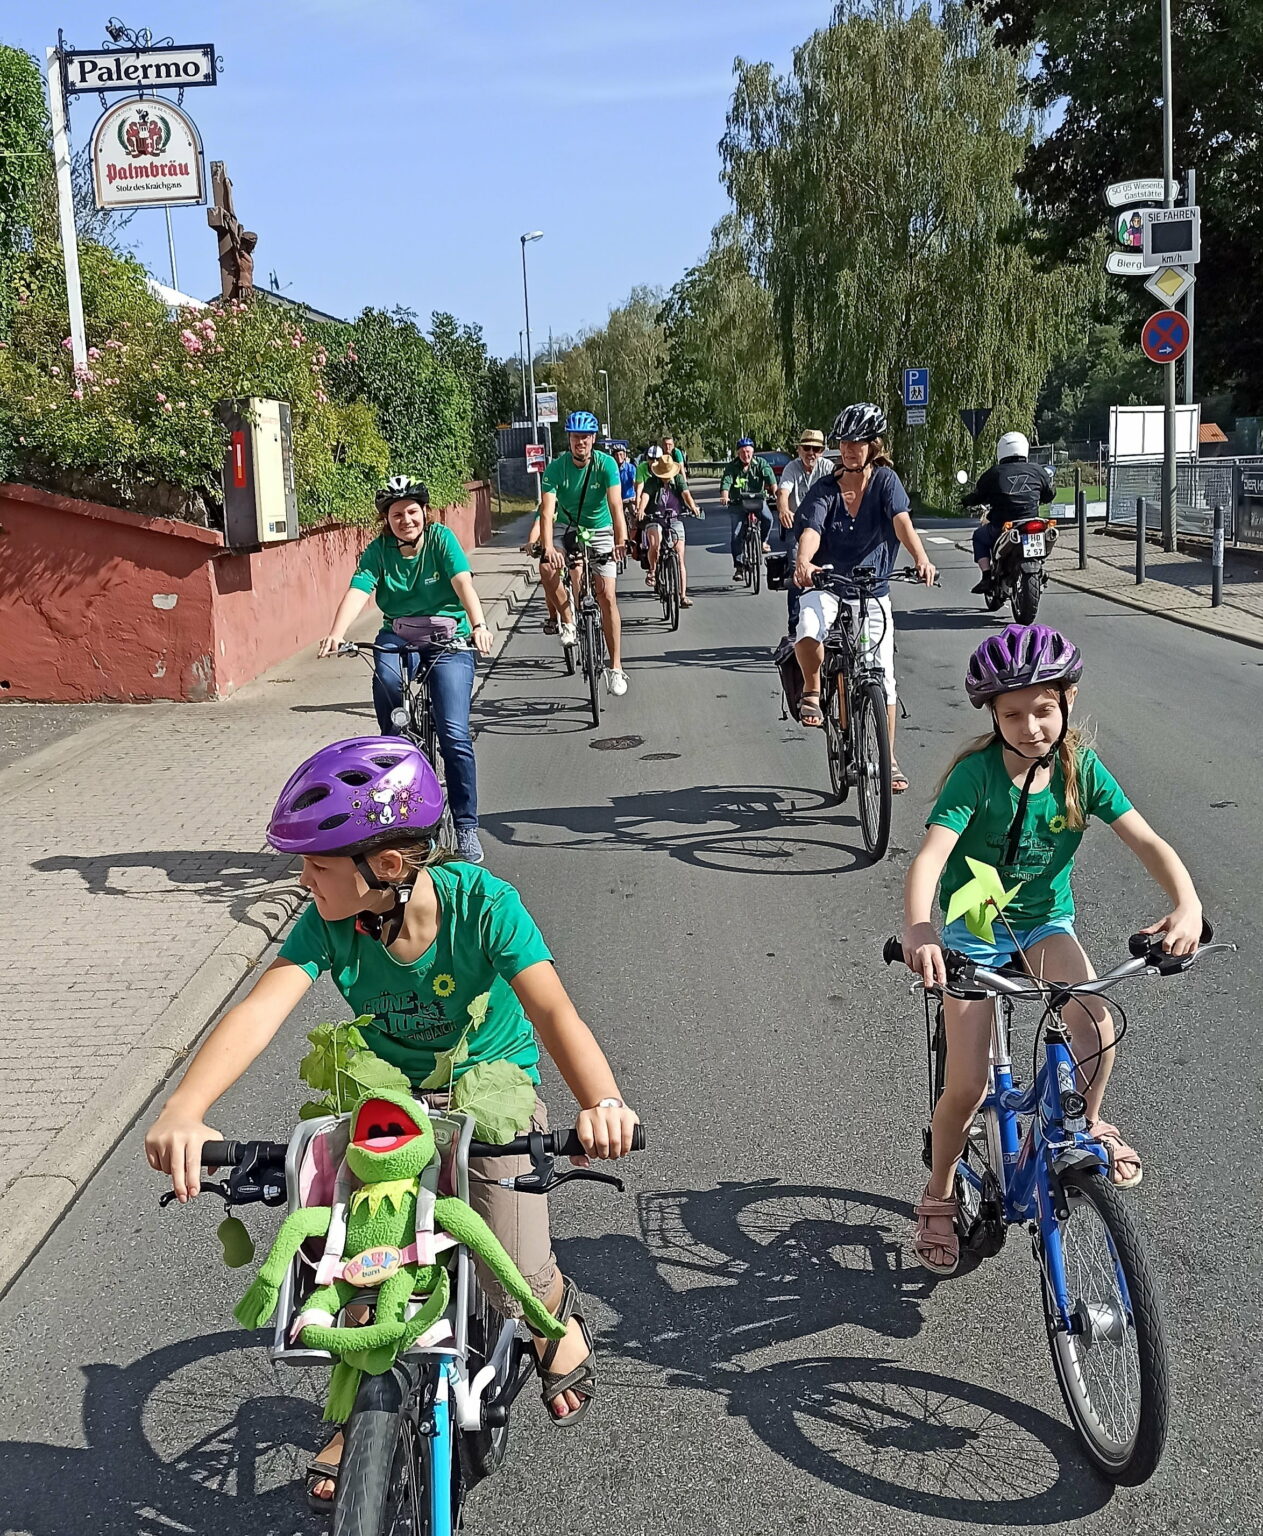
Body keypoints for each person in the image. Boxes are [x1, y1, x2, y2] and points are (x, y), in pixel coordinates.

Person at [145, 738, 641, 1504]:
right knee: (352, 1242)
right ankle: (357, 1402)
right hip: (385, 1096)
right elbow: (258, 1010)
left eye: (315, 865)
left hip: (491, 1079)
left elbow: (551, 1009)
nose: (301, 881)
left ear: (384, 866)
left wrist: (600, 1102)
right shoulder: (327, 923)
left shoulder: (483, 905)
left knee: (510, 1247)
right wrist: (186, 1107)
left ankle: (551, 1315)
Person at [900, 625, 1203, 1274]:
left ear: (1066, 701)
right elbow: (931, 858)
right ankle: (939, 1191)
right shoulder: (975, 778)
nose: (1029, 726)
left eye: (1042, 709)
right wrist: (920, 928)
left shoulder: (1078, 769)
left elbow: (1146, 841)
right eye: (1011, 714)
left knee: (1093, 1019)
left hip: (1041, 921)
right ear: (992, 715)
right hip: (975, 920)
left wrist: (1187, 903)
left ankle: (1086, 1123)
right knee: (966, 1084)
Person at [318, 475, 493, 865]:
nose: (406, 520)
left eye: (412, 512)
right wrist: (336, 633)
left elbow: (463, 582)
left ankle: (465, 826)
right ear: (387, 519)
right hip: (399, 635)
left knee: (454, 734)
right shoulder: (379, 551)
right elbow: (359, 590)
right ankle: (396, 757)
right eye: (397, 514)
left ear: (424, 513)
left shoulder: (441, 540)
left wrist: (479, 625)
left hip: (450, 637)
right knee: (388, 682)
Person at [792, 403, 936, 793]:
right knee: (808, 627)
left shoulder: (886, 481)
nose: (850, 449)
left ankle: (887, 757)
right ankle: (812, 689)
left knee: (883, 678)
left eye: (859, 442)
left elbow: (901, 522)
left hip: (872, 589)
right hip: (827, 583)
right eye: (845, 442)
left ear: (874, 445)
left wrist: (921, 559)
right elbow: (813, 529)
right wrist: (804, 562)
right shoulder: (825, 488)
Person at [539, 411, 630, 697]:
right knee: (548, 569)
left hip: (601, 528)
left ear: (593, 439)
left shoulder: (606, 465)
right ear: (569, 438)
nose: (581, 441)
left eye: (586, 437)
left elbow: (616, 506)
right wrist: (548, 548)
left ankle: (615, 667)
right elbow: (546, 511)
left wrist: (621, 539)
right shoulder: (556, 468)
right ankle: (568, 618)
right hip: (568, 525)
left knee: (608, 597)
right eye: (576, 436)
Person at [962, 431, 1055, 594]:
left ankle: (986, 577)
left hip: (1003, 526)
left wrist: (966, 501)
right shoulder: (1038, 470)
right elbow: (1050, 493)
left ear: (1001, 450)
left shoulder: (994, 473)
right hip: (1032, 521)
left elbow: (978, 496)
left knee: (979, 536)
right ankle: (1039, 566)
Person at [776, 428, 832, 632]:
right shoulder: (792, 468)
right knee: (797, 573)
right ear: (799, 449)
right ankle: (794, 626)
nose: (811, 453)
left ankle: (832, 622)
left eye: (816, 449)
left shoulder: (828, 468)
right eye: (807, 448)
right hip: (798, 527)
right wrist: (783, 509)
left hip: (824, 528)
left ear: (822, 451)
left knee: (834, 571)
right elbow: (783, 492)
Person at [635, 452, 702, 605]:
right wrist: (641, 510)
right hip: (655, 518)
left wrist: (693, 507)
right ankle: (652, 570)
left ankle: (683, 595)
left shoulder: (678, 479)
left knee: (679, 557)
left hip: (674, 519)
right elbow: (645, 496)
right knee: (655, 543)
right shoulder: (652, 482)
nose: (665, 477)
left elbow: (686, 494)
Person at [720, 438, 777, 581]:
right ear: (738, 453)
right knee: (736, 534)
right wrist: (725, 496)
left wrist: (775, 493)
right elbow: (726, 482)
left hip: (757, 500)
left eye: (749, 452)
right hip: (738, 503)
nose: (746, 455)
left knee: (768, 519)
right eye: (743, 452)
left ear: (753, 452)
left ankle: (762, 541)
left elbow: (771, 480)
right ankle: (739, 566)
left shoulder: (761, 464)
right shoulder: (732, 466)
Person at [520, 507, 562, 634]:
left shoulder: (573, 499)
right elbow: (538, 525)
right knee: (549, 585)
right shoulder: (548, 503)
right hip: (551, 550)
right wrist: (532, 542)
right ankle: (553, 617)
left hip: (569, 545)